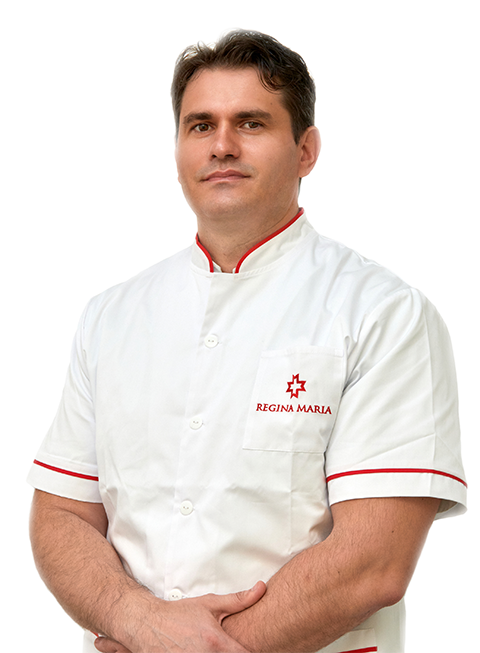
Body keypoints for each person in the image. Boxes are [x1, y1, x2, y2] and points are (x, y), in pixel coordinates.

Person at [28, 28, 467, 653]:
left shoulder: (384, 314)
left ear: (306, 150)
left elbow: (375, 562)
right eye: (201, 125)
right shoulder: (112, 316)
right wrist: (134, 618)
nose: (222, 145)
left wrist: (192, 649)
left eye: (252, 123)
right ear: (176, 151)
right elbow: (61, 514)